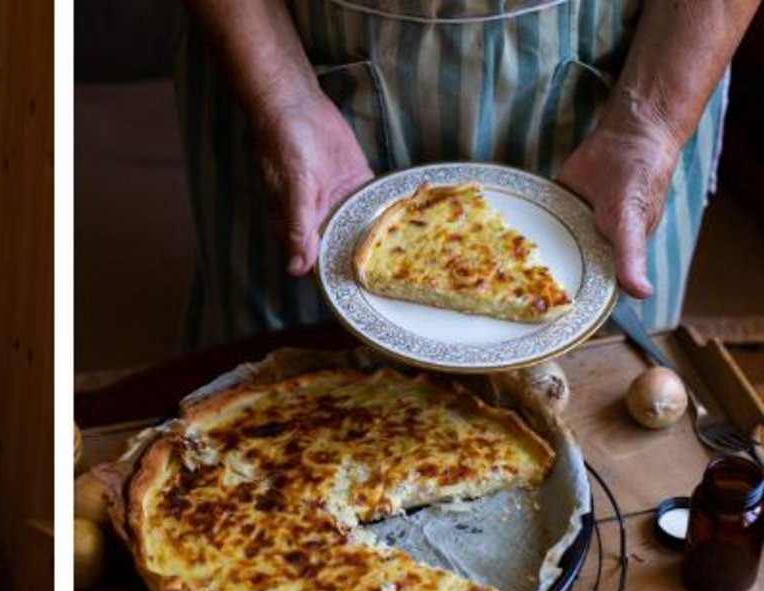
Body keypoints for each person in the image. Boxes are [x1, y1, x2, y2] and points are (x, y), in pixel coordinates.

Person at [176, 0, 759, 346]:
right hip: (286, 54)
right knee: (271, 434)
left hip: (640, 70)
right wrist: (282, 98)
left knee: (613, 415)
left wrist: (650, 125)